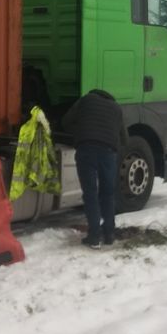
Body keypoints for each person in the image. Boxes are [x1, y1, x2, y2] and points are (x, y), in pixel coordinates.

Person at [61, 89, 128, 248]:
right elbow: (125, 138)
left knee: (90, 193)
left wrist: (80, 133)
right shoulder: (116, 108)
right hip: (108, 153)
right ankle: (109, 234)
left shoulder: (85, 100)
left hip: (87, 149)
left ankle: (94, 236)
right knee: (107, 192)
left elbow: (66, 121)